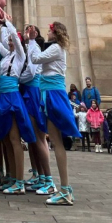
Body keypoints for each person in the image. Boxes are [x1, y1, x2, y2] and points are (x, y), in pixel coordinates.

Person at [27, 21, 81, 206]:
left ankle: (65, 190)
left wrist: (32, 41)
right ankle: (64, 189)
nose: (48, 33)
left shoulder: (56, 49)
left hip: (53, 94)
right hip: (50, 93)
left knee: (57, 142)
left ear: (55, 33)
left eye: (50, 31)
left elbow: (35, 59)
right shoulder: (56, 50)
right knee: (55, 141)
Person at [0, 17, 37, 194]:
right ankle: (12, 176)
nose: (10, 41)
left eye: (12, 40)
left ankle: (19, 182)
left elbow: (17, 40)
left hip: (11, 95)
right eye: (9, 40)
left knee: (13, 138)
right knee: (4, 138)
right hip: (1, 95)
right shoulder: (7, 57)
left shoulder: (19, 56)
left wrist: (8, 23)